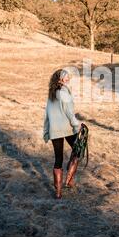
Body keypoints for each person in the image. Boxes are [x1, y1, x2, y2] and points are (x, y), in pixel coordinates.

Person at [43, 69, 82, 199]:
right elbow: (69, 112)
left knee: (58, 159)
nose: (68, 78)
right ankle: (69, 180)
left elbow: (47, 114)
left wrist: (47, 130)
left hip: (55, 130)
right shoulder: (64, 91)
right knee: (77, 151)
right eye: (66, 76)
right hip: (67, 128)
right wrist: (77, 124)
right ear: (60, 79)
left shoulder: (52, 93)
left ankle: (58, 192)